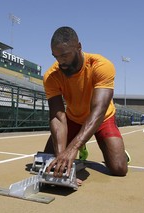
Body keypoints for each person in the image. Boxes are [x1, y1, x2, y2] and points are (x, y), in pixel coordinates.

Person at [43, 27, 129, 183]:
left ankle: (121, 153)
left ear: (79, 47)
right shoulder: (51, 76)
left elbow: (98, 111)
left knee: (119, 168)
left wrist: (73, 147)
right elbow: (57, 116)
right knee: (49, 158)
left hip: (102, 118)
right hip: (73, 118)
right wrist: (62, 159)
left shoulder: (101, 65)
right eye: (56, 56)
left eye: (64, 55)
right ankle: (80, 145)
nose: (60, 62)